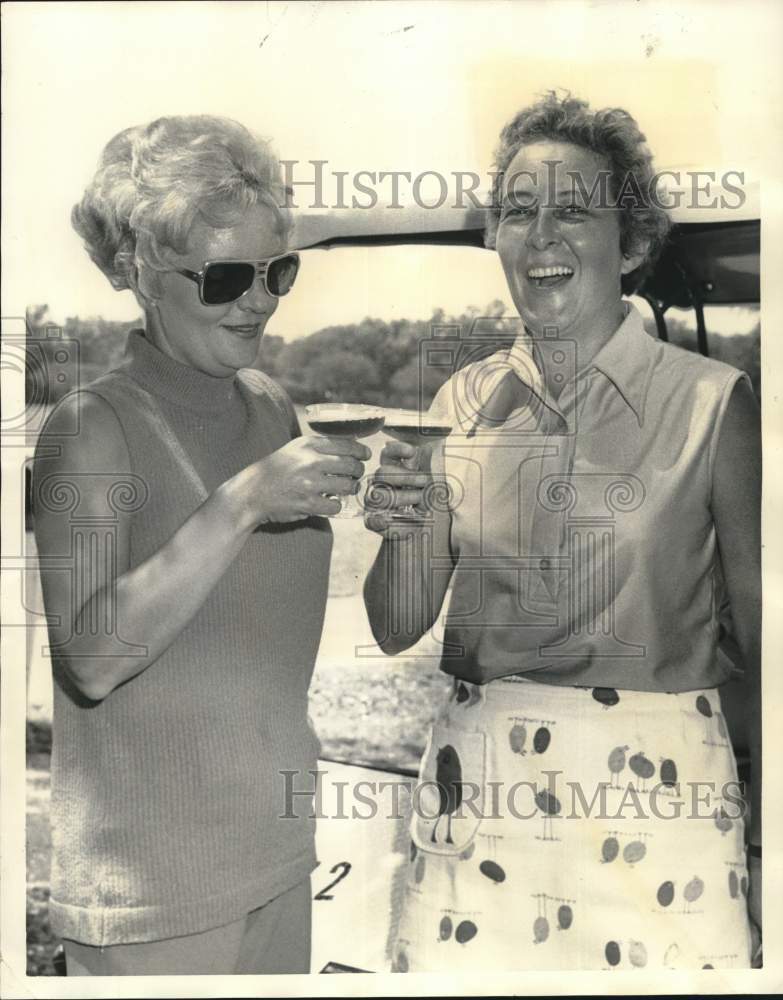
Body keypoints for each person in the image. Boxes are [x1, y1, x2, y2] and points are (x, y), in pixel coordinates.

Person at [364, 93, 761, 970]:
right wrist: (400, 526)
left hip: (663, 808)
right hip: (477, 796)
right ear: (493, 238)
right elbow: (395, 625)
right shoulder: (458, 404)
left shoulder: (712, 405)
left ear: (632, 243)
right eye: (517, 212)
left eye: (574, 212)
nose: (540, 236)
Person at [33, 115, 370, 975]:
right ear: (136, 272)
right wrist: (246, 499)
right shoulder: (91, 426)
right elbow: (91, 660)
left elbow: (260, 631)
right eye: (224, 277)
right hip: (152, 895)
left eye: (275, 272)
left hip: (277, 859)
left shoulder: (270, 406)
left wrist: (402, 519)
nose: (256, 301)